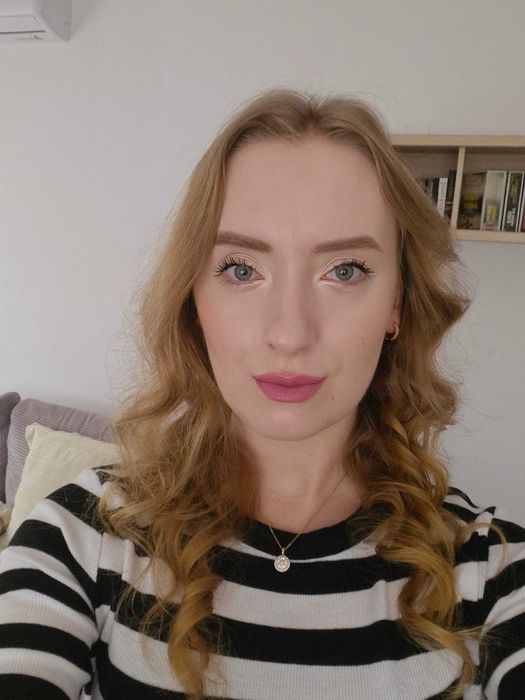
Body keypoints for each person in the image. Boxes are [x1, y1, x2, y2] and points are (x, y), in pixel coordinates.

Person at [0, 88, 524, 700]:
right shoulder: (81, 535)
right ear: (193, 300)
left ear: (396, 305)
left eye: (345, 270)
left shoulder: (492, 574)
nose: (289, 334)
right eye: (242, 269)